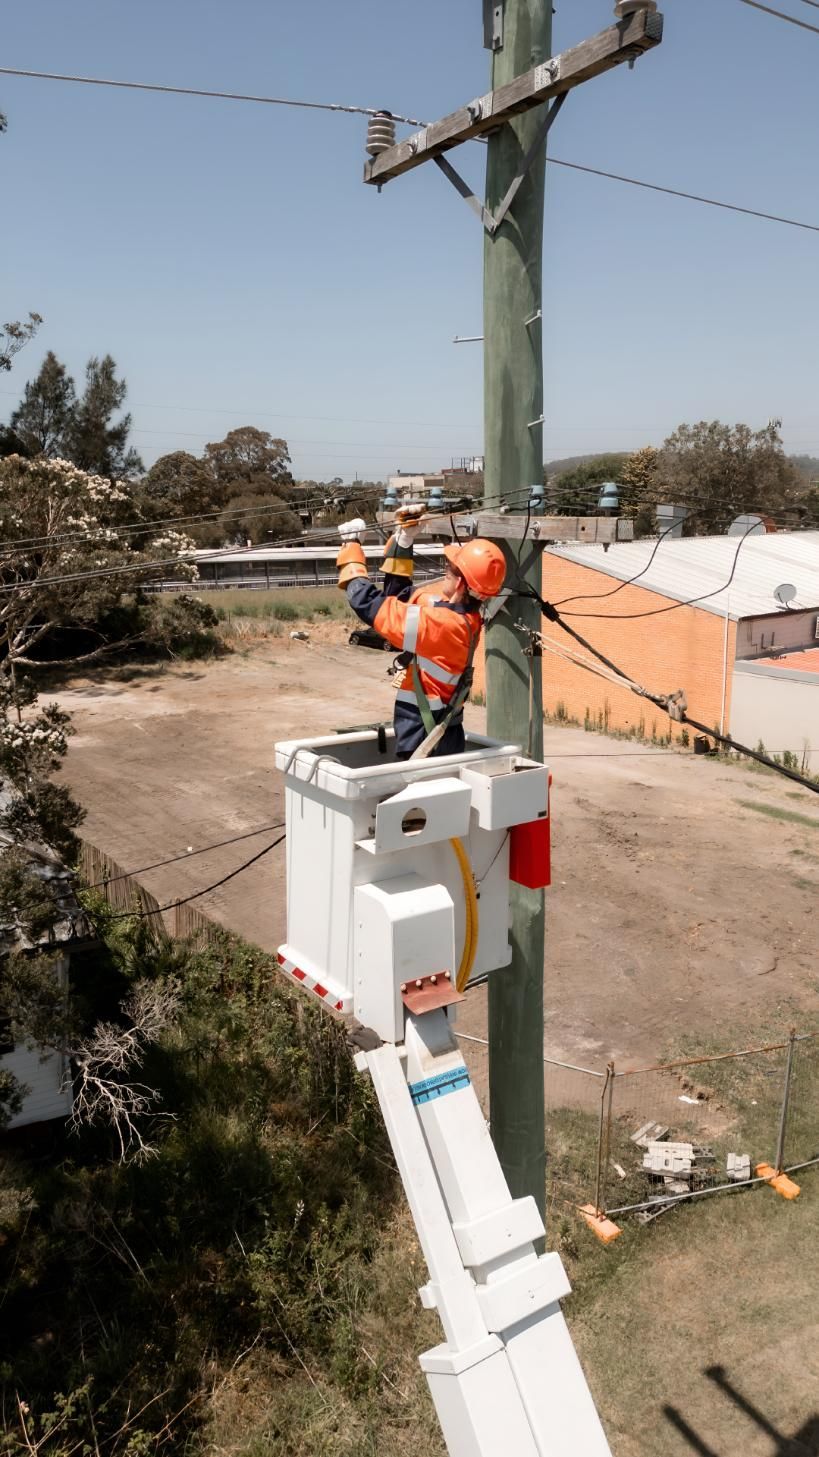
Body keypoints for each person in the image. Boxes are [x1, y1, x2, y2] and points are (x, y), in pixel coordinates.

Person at [336, 506, 506, 759]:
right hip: (440, 733)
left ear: (460, 583)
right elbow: (400, 596)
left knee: (417, 797)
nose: (445, 567)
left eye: (449, 566)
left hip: (423, 735)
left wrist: (351, 550)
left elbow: (368, 604)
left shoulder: (444, 625)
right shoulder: (459, 617)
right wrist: (404, 540)